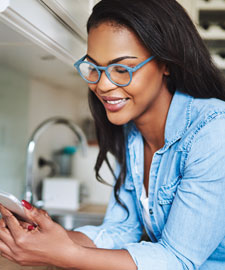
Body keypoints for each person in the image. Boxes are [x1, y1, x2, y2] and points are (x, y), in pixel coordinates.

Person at [0, 0, 225, 269]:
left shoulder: (213, 130)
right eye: (95, 68)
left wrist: (60, 253)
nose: (103, 85)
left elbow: (178, 259)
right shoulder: (131, 133)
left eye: (122, 69)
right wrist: (40, 237)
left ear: (166, 64)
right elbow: (120, 230)